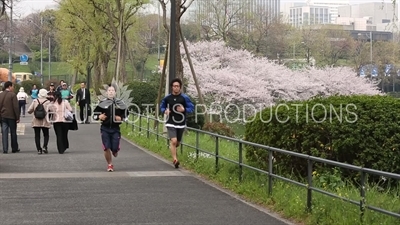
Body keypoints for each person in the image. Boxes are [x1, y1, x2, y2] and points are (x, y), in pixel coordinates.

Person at [93, 84, 129, 172]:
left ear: (115, 92)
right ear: (106, 92)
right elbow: (94, 115)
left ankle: (115, 149)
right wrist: (99, 117)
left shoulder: (120, 103)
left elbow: (126, 114)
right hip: (105, 128)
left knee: (114, 150)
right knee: (106, 147)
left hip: (115, 129)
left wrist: (121, 118)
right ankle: (110, 164)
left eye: (112, 90)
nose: (111, 92)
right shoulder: (102, 103)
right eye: (109, 90)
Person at [160, 78, 194, 168]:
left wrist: (184, 109)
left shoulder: (185, 98)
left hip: (181, 123)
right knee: (174, 141)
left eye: (177, 86)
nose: (176, 88)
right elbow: (162, 106)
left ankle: (173, 148)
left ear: (180, 87)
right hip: (170, 122)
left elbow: (191, 108)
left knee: (177, 143)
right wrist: (165, 111)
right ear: (172, 87)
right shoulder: (168, 98)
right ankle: (175, 160)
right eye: (174, 86)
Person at [27, 89, 52, 154]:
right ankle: (45, 146)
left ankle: (39, 149)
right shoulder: (48, 102)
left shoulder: (35, 101)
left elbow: (29, 111)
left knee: (37, 135)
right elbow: (52, 110)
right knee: (46, 135)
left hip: (36, 120)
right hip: (45, 120)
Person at [0, 81, 20, 154]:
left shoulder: (1, 95)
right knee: (13, 132)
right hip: (11, 116)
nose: (13, 88)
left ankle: (5, 149)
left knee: (4, 132)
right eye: (12, 86)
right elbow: (16, 107)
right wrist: (17, 117)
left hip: (3, 116)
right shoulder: (12, 95)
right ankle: (14, 148)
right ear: (9, 86)